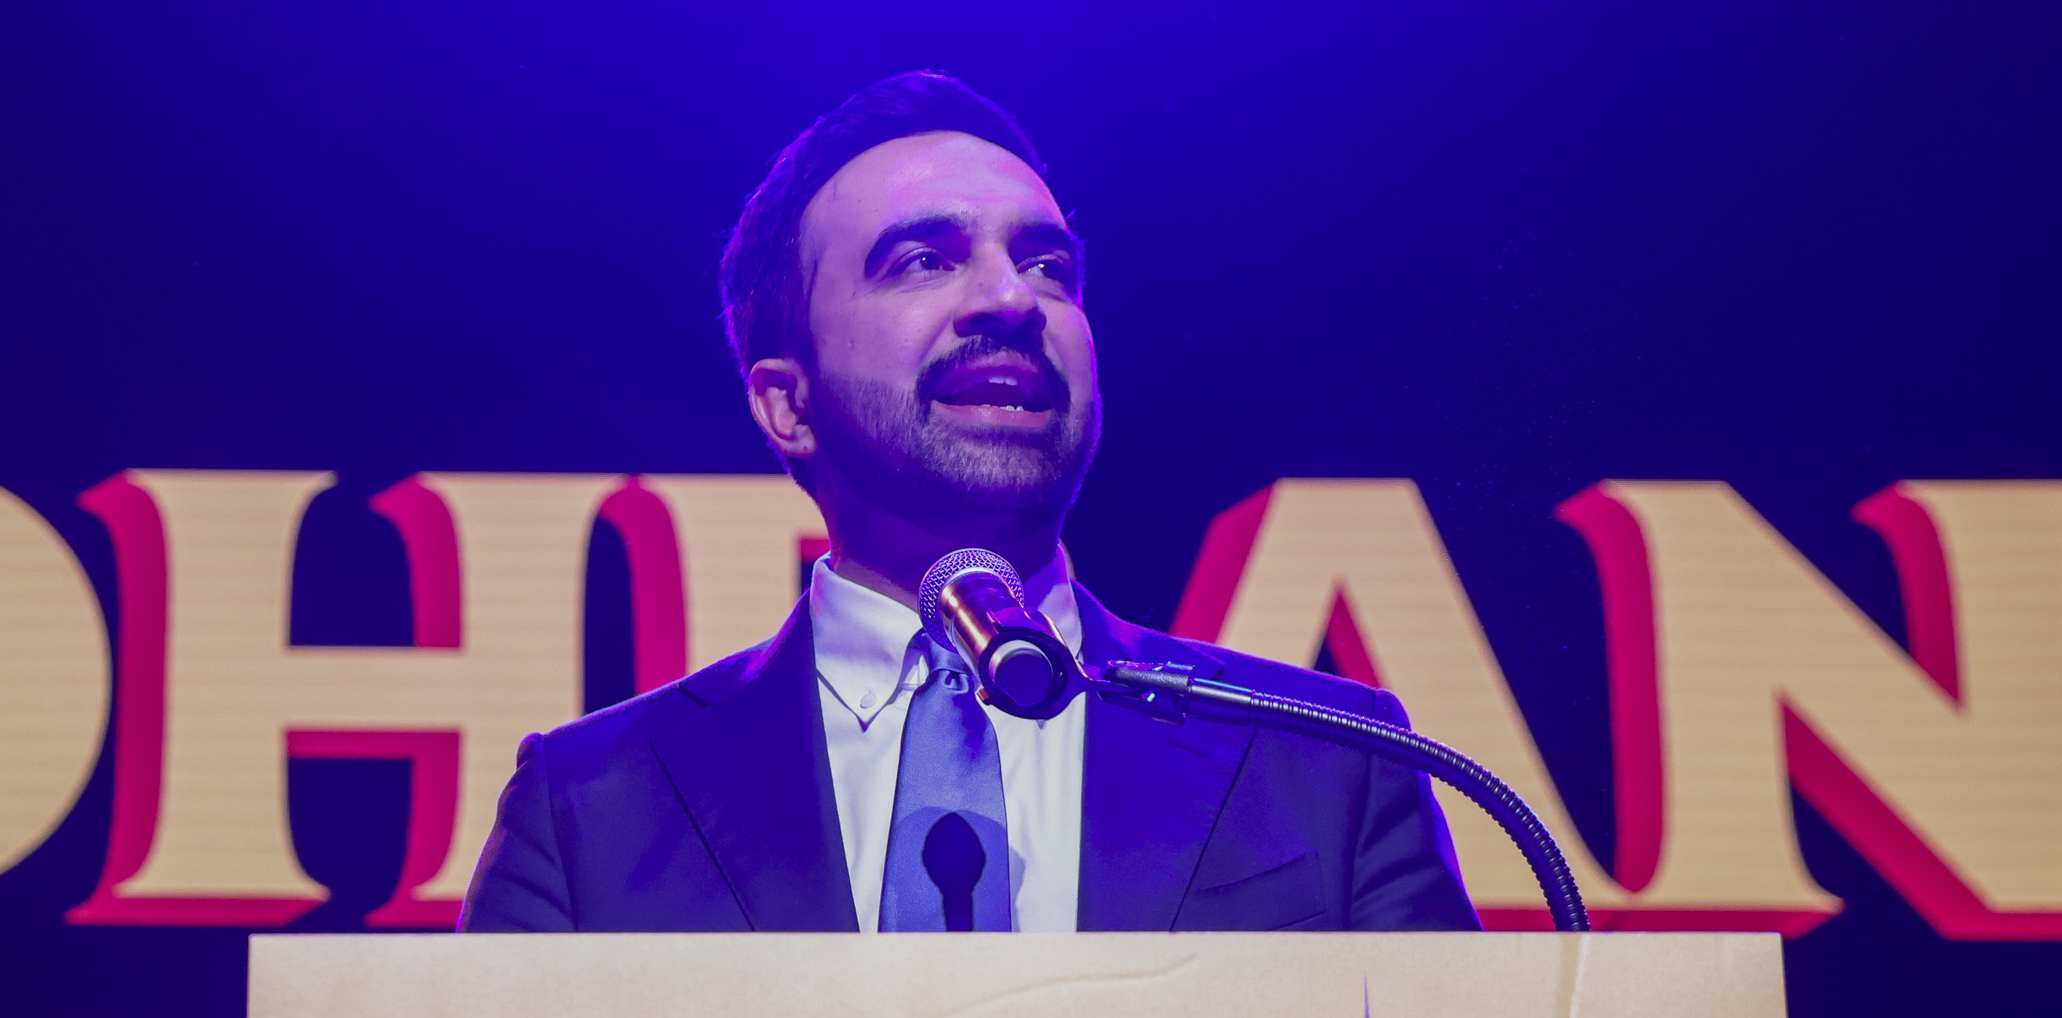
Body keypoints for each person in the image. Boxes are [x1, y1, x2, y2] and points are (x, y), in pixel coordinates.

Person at [459, 72, 1478, 934]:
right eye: (922, 260)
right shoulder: (590, 813)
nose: (1009, 300)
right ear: (785, 401)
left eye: (1047, 265)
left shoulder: (1331, 770)